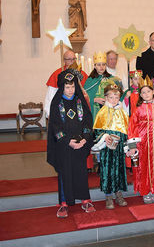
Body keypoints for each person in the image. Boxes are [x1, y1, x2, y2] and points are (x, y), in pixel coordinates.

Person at [47, 69, 95, 218]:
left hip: (80, 143)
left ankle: (85, 199)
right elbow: (55, 126)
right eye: (67, 87)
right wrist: (69, 141)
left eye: (73, 86)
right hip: (65, 146)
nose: (70, 90)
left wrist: (85, 138)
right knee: (65, 173)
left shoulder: (80, 101)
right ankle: (64, 203)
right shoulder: (56, 104)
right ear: (62, 87)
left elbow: (88, 120)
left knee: (81, 172)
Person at [126, 76, 154, 204]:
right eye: (143, 92)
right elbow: (132, 126)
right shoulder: (138, 109)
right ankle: (146, 191)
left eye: (148, 91)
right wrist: (133, 144)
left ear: (153, 92)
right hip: (143, 142)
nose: (146, 94)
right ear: (140, 94)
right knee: (144, 166)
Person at [91, 84, 130, 209]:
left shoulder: (122, 112)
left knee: (119, 168)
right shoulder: (103, 112)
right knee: (108, 169)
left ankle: (118, 193)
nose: (114, 100)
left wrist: (125, 143)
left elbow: (126, 129)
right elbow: (97, 130)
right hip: (107, 147)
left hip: (119, 147)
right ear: (106, 97)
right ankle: (108, 196)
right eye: (111, 97)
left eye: (116, 97)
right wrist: (104, 137)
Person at [44, 50, 88, 118]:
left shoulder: (82, 74)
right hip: (62, 109)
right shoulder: (57, 74)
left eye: (74, 59)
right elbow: (50, 96)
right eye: (69, 59)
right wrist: (49, 112)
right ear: (64, 60)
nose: (72, 61)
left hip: (79, 109)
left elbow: (87, 93)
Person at [84, 51, 122, 121]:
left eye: (103, 64)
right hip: (95, 111)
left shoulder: (111, 79)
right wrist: (94, 100)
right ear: (95, 66)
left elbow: (119, 94)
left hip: (109, 111)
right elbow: (84, 97)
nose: (101, 67)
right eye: (99, 65)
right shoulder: (90, 80)